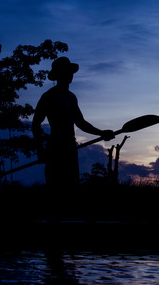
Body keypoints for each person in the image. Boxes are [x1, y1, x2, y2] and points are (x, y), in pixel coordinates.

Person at [32, 57, 114, 218]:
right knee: (55, 193)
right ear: (58, 75)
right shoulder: (49, 96)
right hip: (55, 149)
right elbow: (35, 124)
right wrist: (40, 150)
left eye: (70, 72)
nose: (70, 75)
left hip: (70, 148)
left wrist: (101, 133)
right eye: (66, 72)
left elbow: (81, 123)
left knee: (72, 190)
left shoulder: (71, 97)